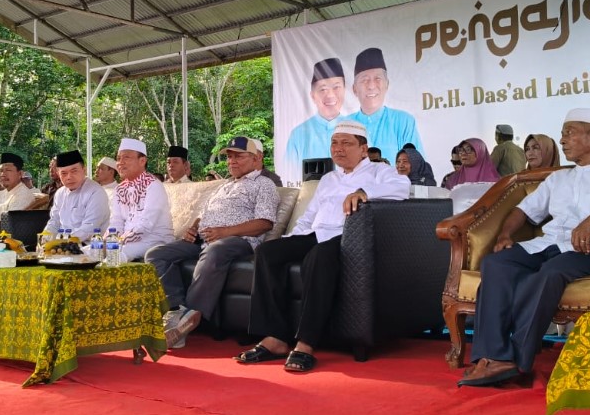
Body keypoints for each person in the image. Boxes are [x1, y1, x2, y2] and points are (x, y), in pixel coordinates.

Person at [458, 108, 590, 387]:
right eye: (562, 134)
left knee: (550, 274)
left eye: (569, 133)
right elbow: (523, 211)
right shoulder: (558, 178)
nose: (562, 140)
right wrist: (504, 234)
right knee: (496, 263)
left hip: (585, 251)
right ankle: (495, 357)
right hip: (545, 244)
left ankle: (518, 359)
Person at [234, 120, 410, 372]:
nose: (338, 149)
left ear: (363, 149)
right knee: (268, 252)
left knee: (319, 256)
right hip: (317, 234)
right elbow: (310, 215)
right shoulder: (328, 178)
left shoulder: (378, 172)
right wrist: (292, 239)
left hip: (347, 239)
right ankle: (275, 337)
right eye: (334, 143)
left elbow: (402, 187)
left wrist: (364, 191)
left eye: (346, 143)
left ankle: (306, 343)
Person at [146, 136, 280, 349]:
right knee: (156, 254)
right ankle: (176, 311)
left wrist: (225, 232)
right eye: (229, 157)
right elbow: (204, 214)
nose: (231, 161)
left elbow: (265, 223)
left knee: (215, 250)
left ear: (258, 158)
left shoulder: (264, 184)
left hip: (238, 241)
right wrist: (193, 227)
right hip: (203, 239)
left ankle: (188, 318)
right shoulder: (223, 186)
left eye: (239, 156)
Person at [347, 48, 423, 163]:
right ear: (354, 89)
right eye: (364, 80)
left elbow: (417, 167)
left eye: (377, 78)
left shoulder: (403, 122)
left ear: (387, 84)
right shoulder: (344, 126)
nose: (371, 86)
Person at [110, 138, 175, 261]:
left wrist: (121, 240)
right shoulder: (119, 189)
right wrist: (108, 239)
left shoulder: (153, 185)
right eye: (118, 158)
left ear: (142, 161)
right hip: (127, 240)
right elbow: (116, 221)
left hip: (154, 240)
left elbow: (146, 225)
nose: (120, 162)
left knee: (116, 254)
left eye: (126, 158)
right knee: (92, 250)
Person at [286, 58, 346, 166]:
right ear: (313, 95)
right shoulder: (298, 134)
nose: (330, 95)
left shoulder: (358, 129)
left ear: (345, 90)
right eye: (323, 89)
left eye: (336, 87)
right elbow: (289, 172)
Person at [43, 150, 109, 243]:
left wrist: (61, 242)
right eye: (64, 173)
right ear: (59, 174)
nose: (69, 177)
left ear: (84, 170)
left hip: (90, 248)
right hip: (61, 246)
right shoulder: (60, 193)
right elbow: (54, 222)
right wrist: (45, 237)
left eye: (74, 171)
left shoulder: (96, 192)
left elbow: (89, 229)